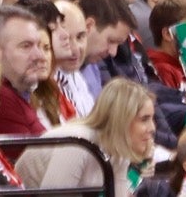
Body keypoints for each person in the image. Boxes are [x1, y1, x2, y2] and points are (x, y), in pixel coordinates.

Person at [15, 77, 158, 197]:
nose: (152, 128)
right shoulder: (77, 144)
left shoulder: (119, 148)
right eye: (144, 119)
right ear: (122, 119)